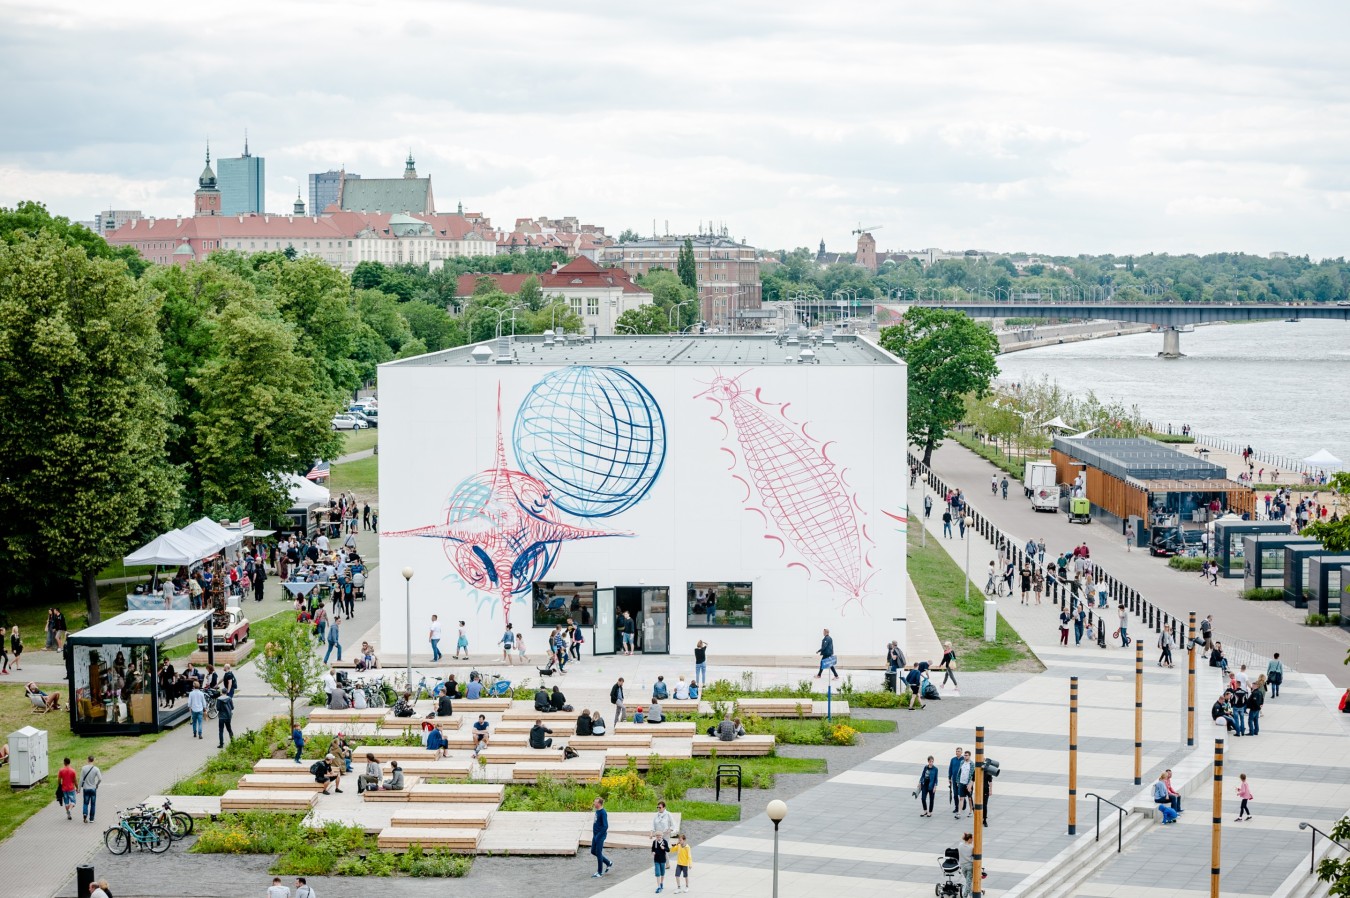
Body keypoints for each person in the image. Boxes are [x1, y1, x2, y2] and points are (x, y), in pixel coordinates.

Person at [592, 797, 612, 877]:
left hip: (600, 836)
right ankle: (608, 863)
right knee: (593, 851)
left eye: (595, 802)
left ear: (599, 804)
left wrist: (598, 836)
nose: (594, 803)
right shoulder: (597, 811)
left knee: (599, 853)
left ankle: (599, 872)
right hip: (595, 835)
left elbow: (605, 826)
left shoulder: (603, 813)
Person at [79, 755, 101, 823]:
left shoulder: (83, 768)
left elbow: (81, 779)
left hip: (86, 788)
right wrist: (97, 784)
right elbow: (100, 779)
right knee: (93, 804)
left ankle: (85, 814)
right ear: (93, 760)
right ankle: (91, 818)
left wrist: (79, 788)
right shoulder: (96, 769)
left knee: (85, 803)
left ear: (88, 760)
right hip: (93, 788)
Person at [956, 751, 974, 818]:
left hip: (968, 784)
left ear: (969, 756)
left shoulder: (971, 764)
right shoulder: (962, 762)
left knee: (969, 798)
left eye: (966, 755)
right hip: (961, 782)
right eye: (965, 755)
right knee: (961, 798)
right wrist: (958, 781)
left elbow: (972, 775)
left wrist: (970, 784)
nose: (965, 756)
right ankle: (959, 813)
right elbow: (959, 771)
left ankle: (970, 811)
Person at [947, 747, 964, 815]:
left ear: (961, 752)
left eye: (959, 751)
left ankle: (963, 803)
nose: (957, 752)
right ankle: (956, 807)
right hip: (954, 779)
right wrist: (949, 777)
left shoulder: (963, 760)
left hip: (961, 780)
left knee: (961, 794)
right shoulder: (953, 759)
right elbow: (950, 768)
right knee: (955, 794)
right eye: (956, 751)